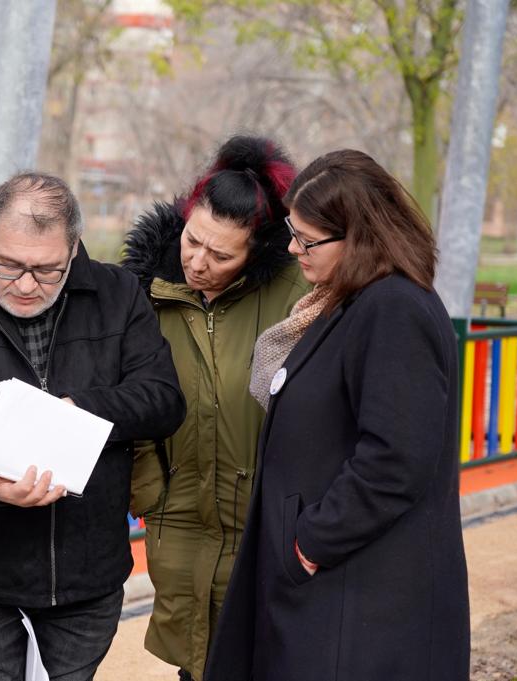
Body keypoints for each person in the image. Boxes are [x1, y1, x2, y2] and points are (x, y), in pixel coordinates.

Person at [0, 171, 185, 681]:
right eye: (9, 265)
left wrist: (76, 411)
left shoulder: (118, 294)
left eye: (48, 270)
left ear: (74, 248)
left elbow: (164, 399)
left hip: (88, 571)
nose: (27, 285)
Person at [205, 149, 470, 681]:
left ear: (361, 238)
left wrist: (311, 541)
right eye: (292, 233)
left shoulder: (392, 308)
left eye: (307, 240)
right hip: (337, 590)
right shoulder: (349, 300)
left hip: (359, 597)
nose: (292, 249)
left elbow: (396, 458)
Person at [121, 135, 309, 681]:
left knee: (265, 657)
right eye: (192, 240)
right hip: (178, 514)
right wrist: (149, 486)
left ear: (260, 250)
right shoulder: (143, 289)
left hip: (266, 518)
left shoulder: (298, 290)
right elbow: (123, 392)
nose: (197, 263)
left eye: (221, 255)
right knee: (195, 659)